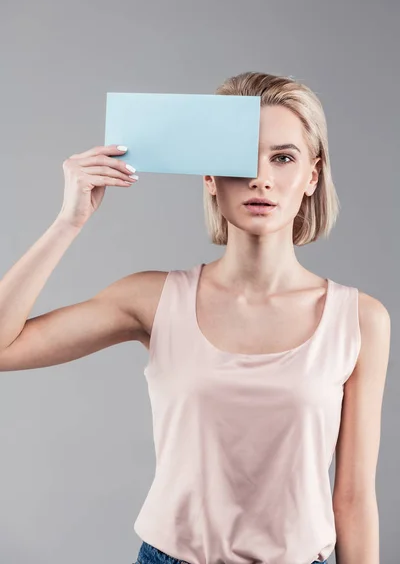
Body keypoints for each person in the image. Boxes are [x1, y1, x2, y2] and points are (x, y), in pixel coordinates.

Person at [0, 71, 390, 564]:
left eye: (283, 157)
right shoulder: (152, 298)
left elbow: (353, 499)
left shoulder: (359, 319)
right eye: (239, 159)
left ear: (312, 176)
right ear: (208, 175)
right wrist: (68, 221)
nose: (260, 178)